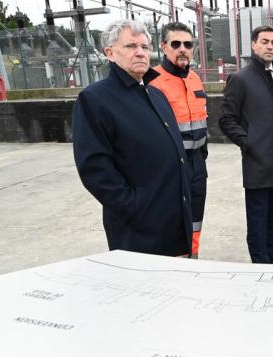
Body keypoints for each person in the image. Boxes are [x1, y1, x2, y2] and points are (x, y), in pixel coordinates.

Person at [72, 19, 192, 256]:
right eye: (130, 46)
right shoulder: (95, 99)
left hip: (174, 220)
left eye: (144, 47)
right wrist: (134, 207)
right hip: (139, 230)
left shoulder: (156, 95)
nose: (140, 52)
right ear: (110, 53)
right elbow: (95, 169)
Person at [219, 25, 273, 264]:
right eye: (264, 42)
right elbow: (226, 119)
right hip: (258, 162)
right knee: (257, 219)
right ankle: (260, 264)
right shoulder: (240, 79)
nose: (270, 47)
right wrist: (249, 143)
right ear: (253, 45)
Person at [149, 22, 208, 258]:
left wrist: (202, 157)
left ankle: (193, 259)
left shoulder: (195, 79)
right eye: (176, 44)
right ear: (164, 47)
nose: (182, 49)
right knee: (172, 219)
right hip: (170, 167)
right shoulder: (151, 81)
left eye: (188, 44)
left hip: (197, 164)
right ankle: (175, 264)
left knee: (196, 218)